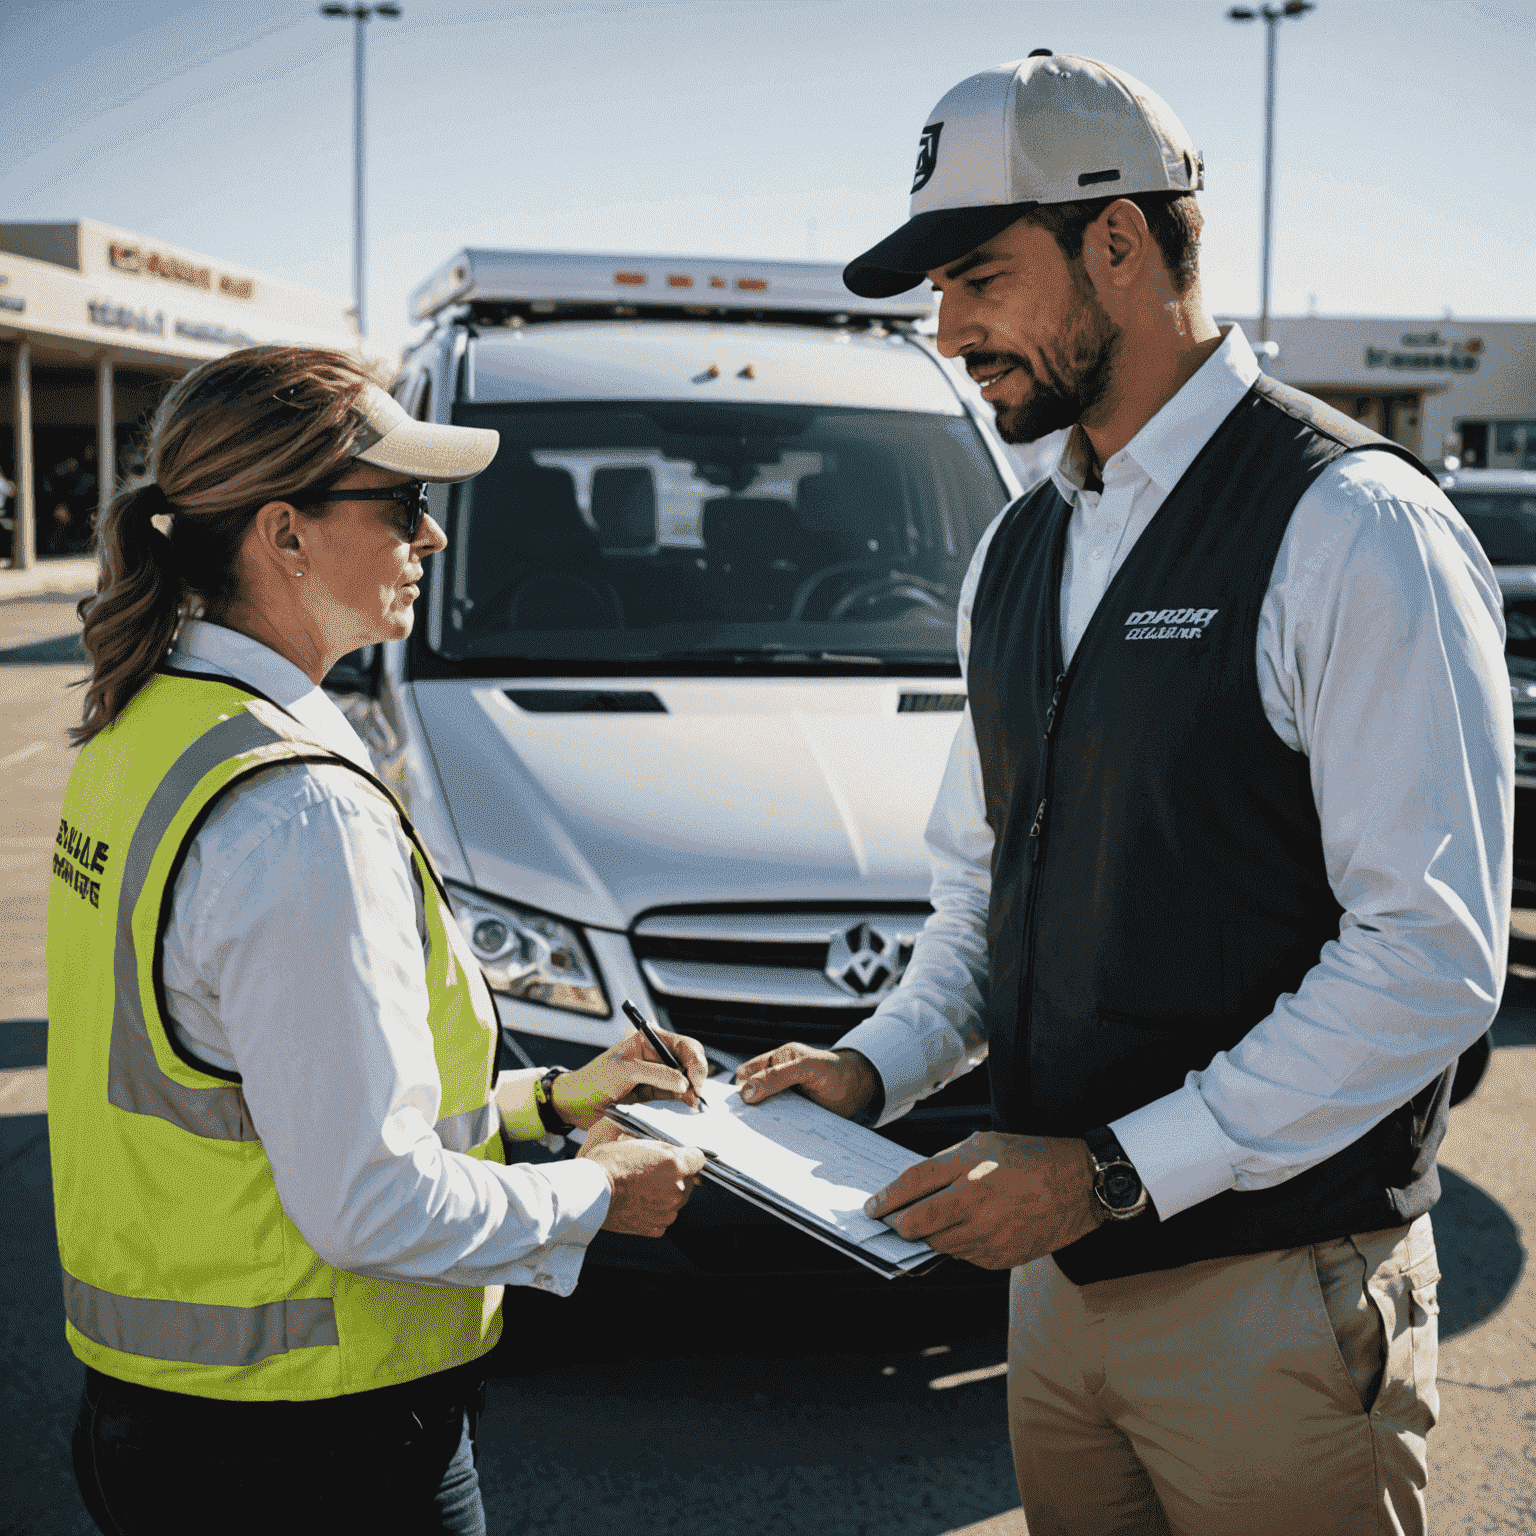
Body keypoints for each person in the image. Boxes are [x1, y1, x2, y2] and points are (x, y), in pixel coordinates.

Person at [735, 52, 1510, 1536]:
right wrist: (872, 1069)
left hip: (1277, 1300)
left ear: (1121, 241)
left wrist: (1105, 1175)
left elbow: (1430, 962)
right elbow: (984, 891)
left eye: (975, 275)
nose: (946, 327)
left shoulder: (1354, 528)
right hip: (1060, 1304)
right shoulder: (1018, 549)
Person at [48, 346, 708, 1536]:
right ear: (285, 534)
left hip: (175, 1427)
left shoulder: (151, 730)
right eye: (402, 502)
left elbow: (259, 1094)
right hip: (316, 1457)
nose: (432, 537)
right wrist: (592, 1193)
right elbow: (366, 1201)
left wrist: (553, 1101)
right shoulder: (296, 808)